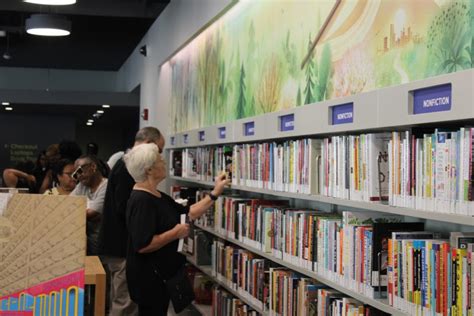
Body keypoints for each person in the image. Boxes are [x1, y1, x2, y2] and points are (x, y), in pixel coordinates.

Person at [123, 143, 229, 315]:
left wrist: (215, 193)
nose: (164, 162)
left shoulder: (157, 196)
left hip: (162, 276)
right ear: (149, 170)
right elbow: (143, 244)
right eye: (159, 160)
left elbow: (189, 213)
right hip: (149, 279)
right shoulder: (142, 201)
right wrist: (175, 233)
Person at [98, 127, 164, 316]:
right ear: (149, 144)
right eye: (158, 150)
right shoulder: (128, 167)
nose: (159, 156)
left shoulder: (124, 164)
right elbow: (126, 208)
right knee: (125, 302)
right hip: (122, 247)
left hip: (119, 245)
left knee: (122, 298)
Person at [71, 154, 108, 255]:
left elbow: (92, 213)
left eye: (80, 170)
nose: (78, 176)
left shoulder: (107, 186)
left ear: (93, 167)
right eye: (75, 174)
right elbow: (67, 206)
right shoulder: (81, 186)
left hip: (104, 244)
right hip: (87, 242)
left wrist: (77, 211)